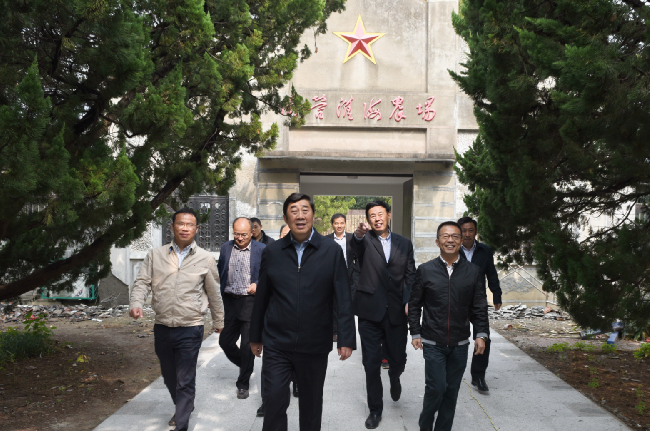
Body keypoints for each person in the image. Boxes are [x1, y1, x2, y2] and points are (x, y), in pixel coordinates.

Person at [250, 192, 356, 431]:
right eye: (294, 211)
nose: (300, 216)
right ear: (286, 218)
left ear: (313, 215)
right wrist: (255, 336)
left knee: (311, 406)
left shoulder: (331, 251)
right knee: (274, 401)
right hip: (277, 342)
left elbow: (343, 297)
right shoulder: (273, 252)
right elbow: (263, 296)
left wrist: (346, 338)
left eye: (305, 210)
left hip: (314, 344)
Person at [129, 208, 224, 431]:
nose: (184, 228)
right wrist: (136, 303)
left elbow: (214, 292)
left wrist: (219, 321)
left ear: (196, 229)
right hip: (162, 326)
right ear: (172, 226)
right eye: (180, 223)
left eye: (189, 225)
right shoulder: (155, 255)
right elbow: (142, 282)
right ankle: (184, 405)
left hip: (191, 327)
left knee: (185, 379)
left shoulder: (205, 258)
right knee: (169, 376)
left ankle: (181, 423)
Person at [408, 221, 489, 431]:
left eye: (455, 236)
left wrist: (481, 334)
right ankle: (425, 426)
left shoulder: (473, 272)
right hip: (432, 341)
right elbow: (414, 304)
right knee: (436, 388)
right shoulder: (425, 270)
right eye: (445, 236)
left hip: (459, 343)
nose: (450, 240)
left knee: (451, 391)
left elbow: (479, 306)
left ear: (461, 241)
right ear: (438, 241)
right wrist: (415, 332)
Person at [352, 200, 415, 429]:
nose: (377, 218)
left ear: (388, 215)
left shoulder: (404, 243)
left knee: (398, 359)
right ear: (368, 220)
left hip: (396, 311)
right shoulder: (364, 240)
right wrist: (358, 235)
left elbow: (410, 275)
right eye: (372, 215)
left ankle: (395, 378)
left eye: (380, 214)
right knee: (371, 362)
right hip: (369, 311)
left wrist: (408, 300)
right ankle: (375, 410)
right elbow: (355, 247)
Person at [217, 217, 265, 399]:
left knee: (246, 345)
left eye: (243, 234)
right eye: (236, 234)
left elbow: (268, 273)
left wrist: (258, 283)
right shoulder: (225, 247)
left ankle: (243, 383)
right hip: (229, 301)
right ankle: (246, 365)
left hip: (249, 302)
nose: (239, 238)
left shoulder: (261, 249)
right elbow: (220, 272)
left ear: (252, 232)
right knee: (225, 342)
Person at [457, 216, 502, 394]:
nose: (467, 234)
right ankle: (450, 372)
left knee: (483, 337)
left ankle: (478, 376)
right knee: (453, 337)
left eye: (471, 230)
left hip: (478, 300)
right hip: (457, 300)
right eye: (464, 231)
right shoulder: (452, 249)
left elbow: (491, 274)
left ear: (476, 232)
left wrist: (496, 294)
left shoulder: (484, 250)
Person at [326, 213, 359, 342]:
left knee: (348, 305)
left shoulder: (352, 238)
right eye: (336, 223)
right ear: (332, 224)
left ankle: (347, 331)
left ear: (345, 223)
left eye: (341, 223)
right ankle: (335, 331)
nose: (339, 226)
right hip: (332, 276)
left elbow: (358, 257)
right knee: (334, 304)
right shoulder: (327, 240)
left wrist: (356, 274)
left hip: (349, 276)